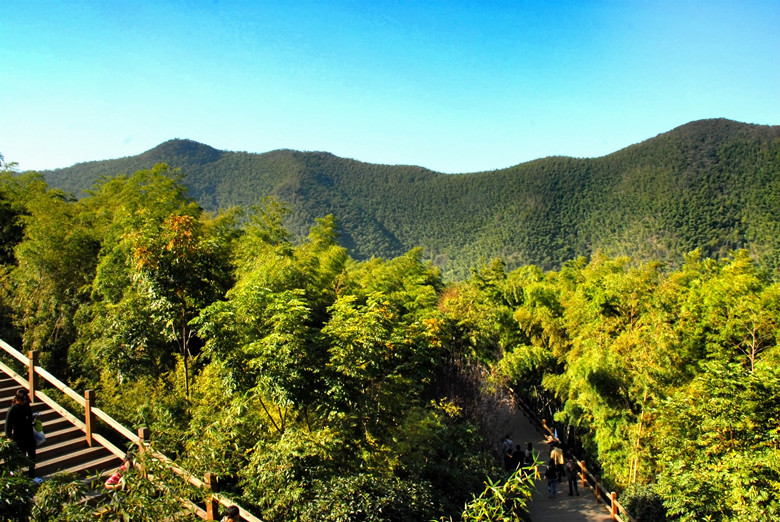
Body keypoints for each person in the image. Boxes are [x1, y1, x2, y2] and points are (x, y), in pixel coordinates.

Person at [5, 388, 36, 477]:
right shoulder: (13, 409)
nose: (25, 401)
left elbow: (29, 418)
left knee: (32, 456)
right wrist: (9, 437)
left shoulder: (27, 406)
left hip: (29, 435)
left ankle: (31, 474)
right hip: (19, 436)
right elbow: (8, 425)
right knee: (20, 457)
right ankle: (19, 475)